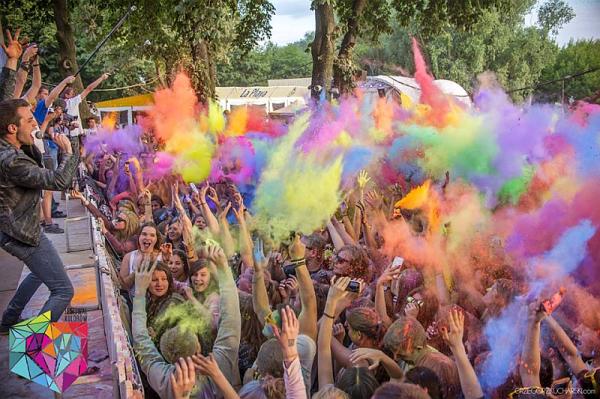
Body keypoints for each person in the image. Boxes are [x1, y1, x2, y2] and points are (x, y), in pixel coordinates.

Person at [0, 98, 79, 333]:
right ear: (12, 128)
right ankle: (30, 344)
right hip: (23, 234)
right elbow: (59, 181)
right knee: (64, 290)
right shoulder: (13, 161)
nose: (36, 122)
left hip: (15, 229)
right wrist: (69, 151)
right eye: (30, 119)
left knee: (39, 272)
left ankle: (9, 320)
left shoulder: (8, 148)